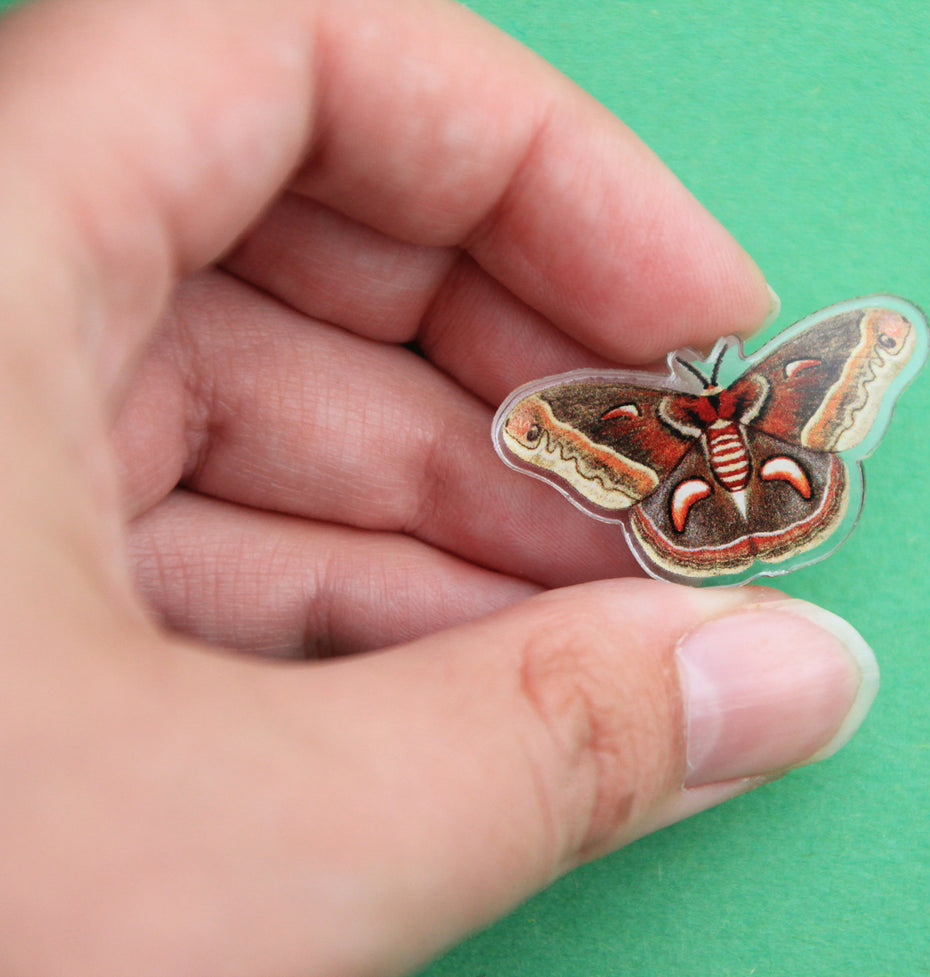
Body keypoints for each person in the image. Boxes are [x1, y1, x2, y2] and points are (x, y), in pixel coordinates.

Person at [0, 0, 879, 973]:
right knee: (670, 491)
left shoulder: (758, 389)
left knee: (722, 489)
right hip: (693, 482)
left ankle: (751, 504)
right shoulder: (623, 414)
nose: (714, 414)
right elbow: (536, 421)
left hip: (743, 471)